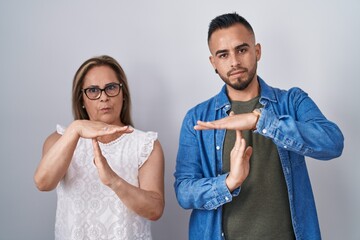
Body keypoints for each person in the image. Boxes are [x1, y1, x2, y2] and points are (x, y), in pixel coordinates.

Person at [174, 13, 344, 240]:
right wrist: (229, 182)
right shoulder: (197, 118)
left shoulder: (292, 101)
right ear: (213, 62)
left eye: (242, 50)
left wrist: (262, 121)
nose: (234, 61)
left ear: (257, 51)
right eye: (223, 55)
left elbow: (333, 143)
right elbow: (184, 191)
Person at [34, 55, 164, 240]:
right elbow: (43, 183)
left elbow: (154, 210)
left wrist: (113, 181)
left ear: (123, 93)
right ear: (81, 99)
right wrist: (76, 129)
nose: (103, 97)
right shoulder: (60, 140)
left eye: (111, 88)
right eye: (93, 90)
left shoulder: (145, 145)